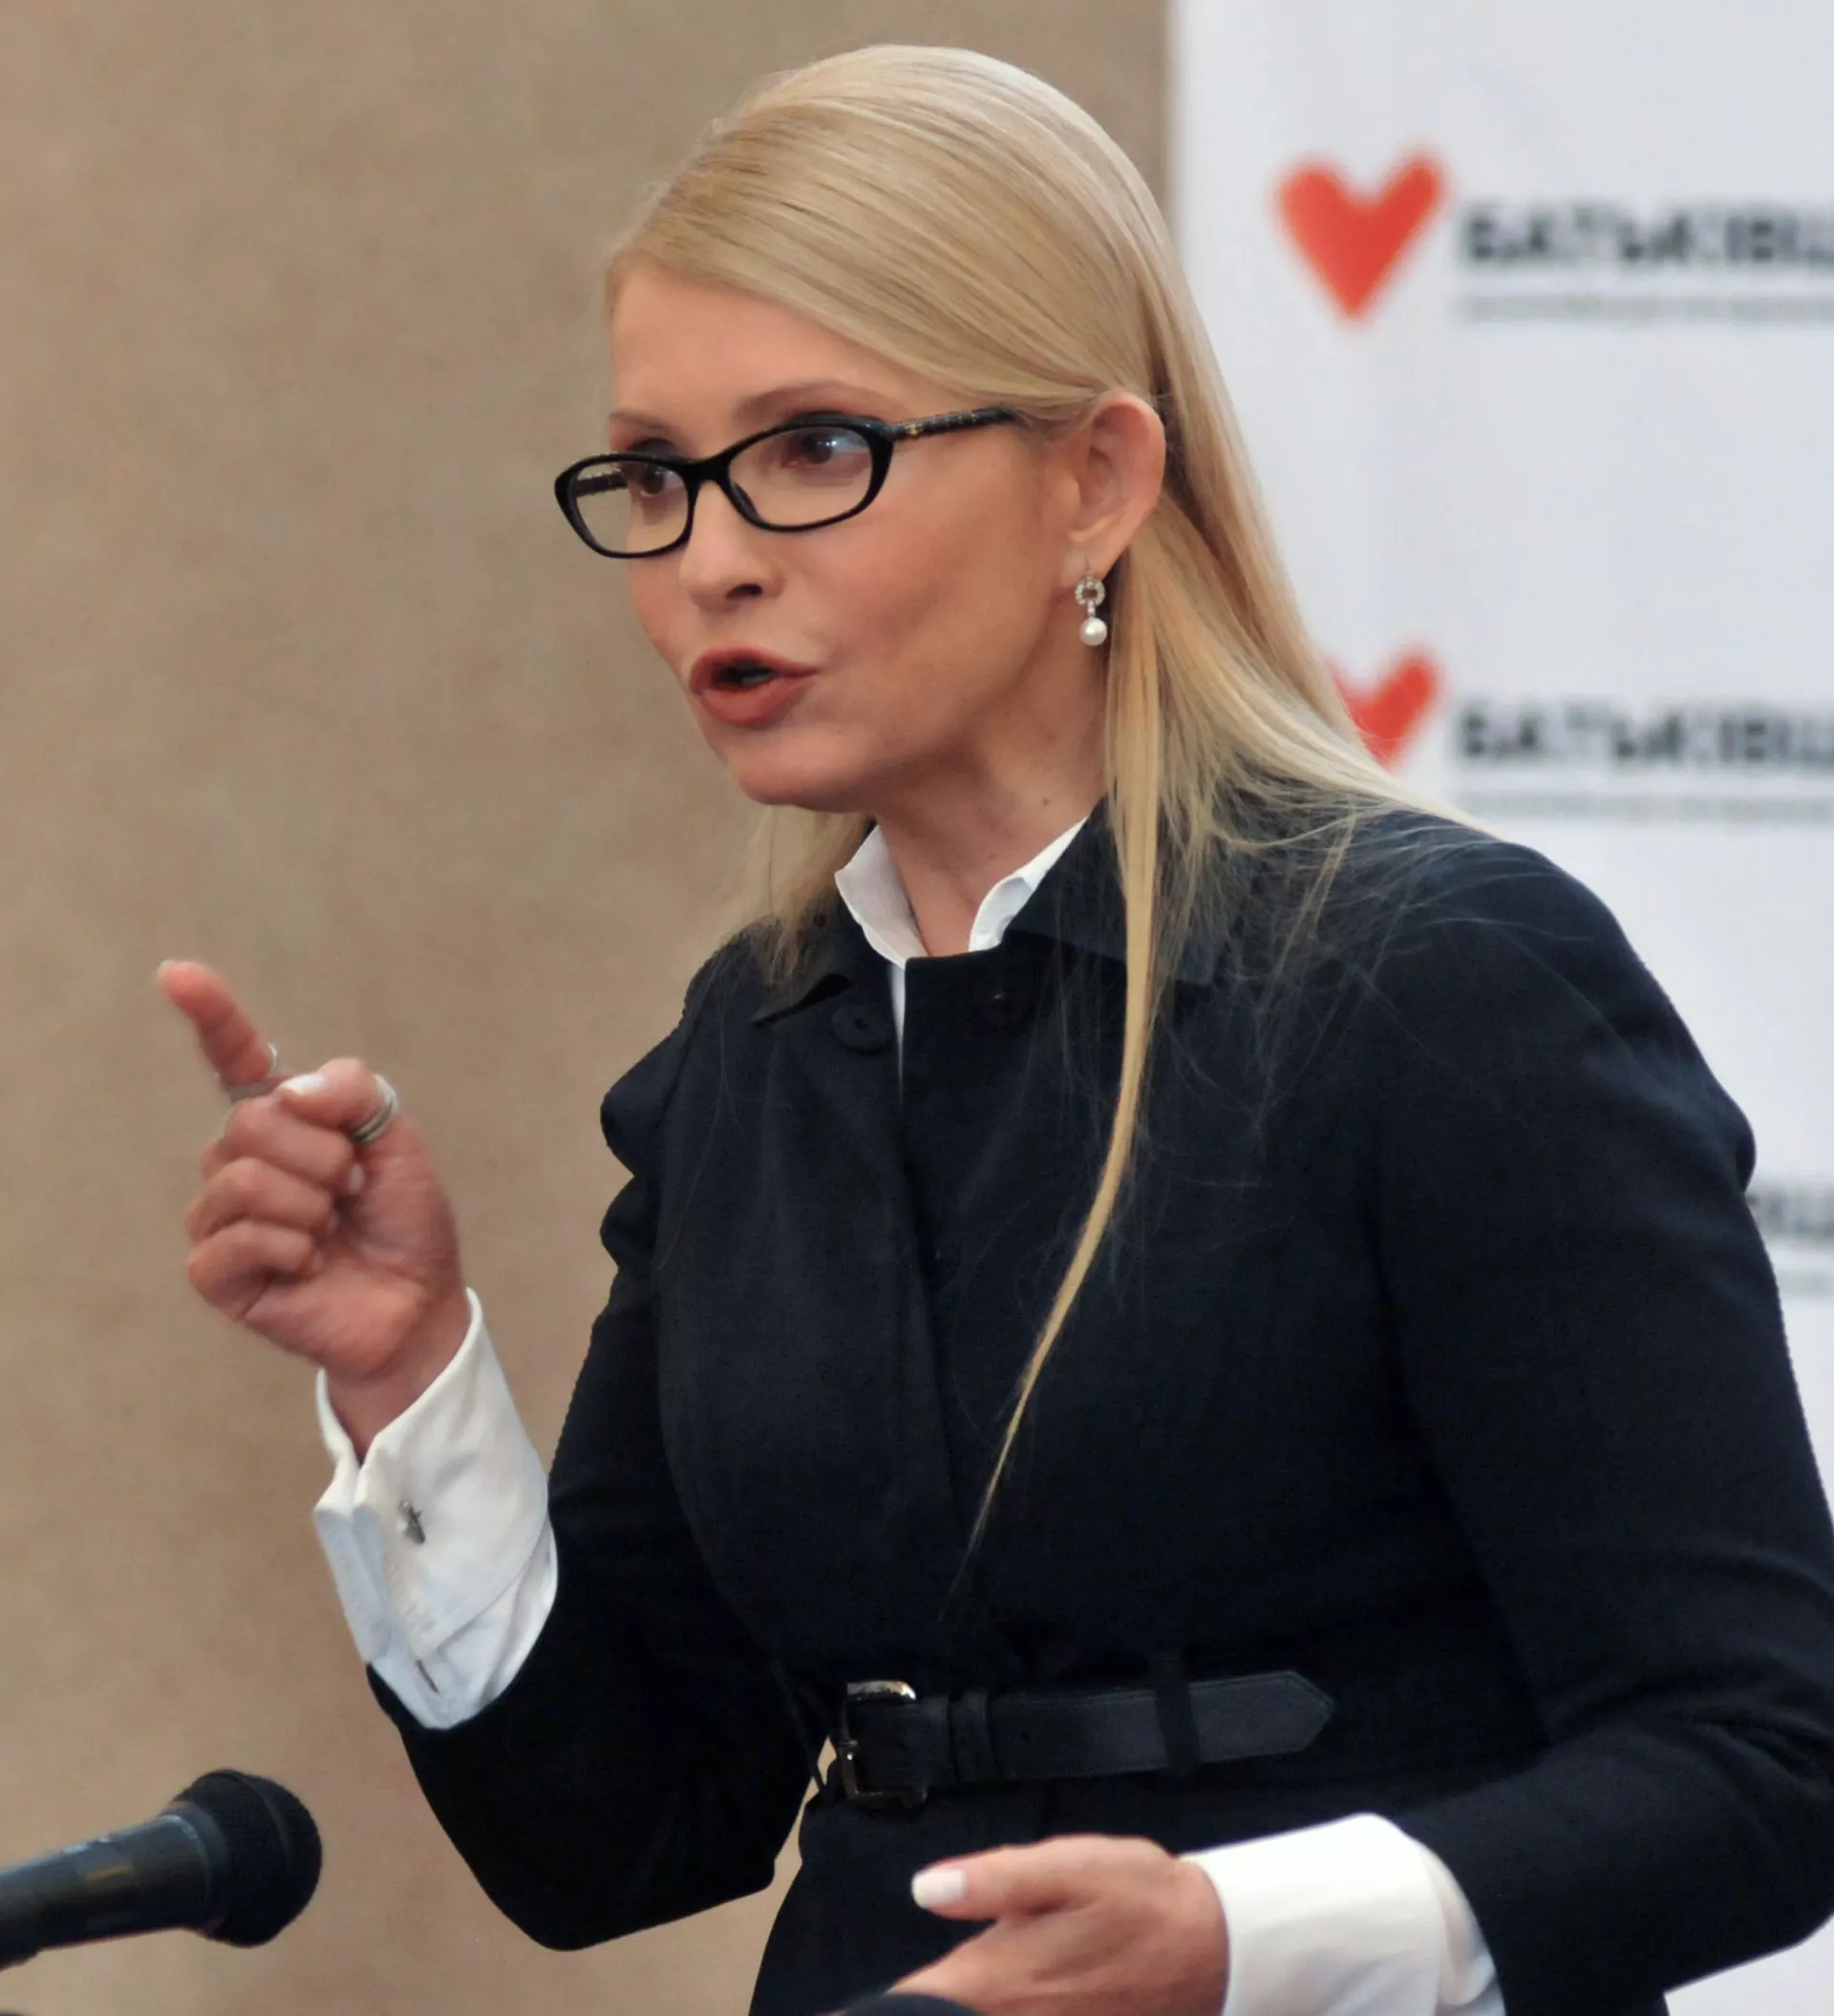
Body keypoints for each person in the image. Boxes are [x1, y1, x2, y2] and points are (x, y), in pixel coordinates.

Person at [161, 43, 1834, 2016]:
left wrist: (1237, 1944)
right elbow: (619, 1832)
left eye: (813, 448)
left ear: (1094, 483)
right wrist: (408, 1374)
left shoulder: (1440, 984)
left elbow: (1765, 1761)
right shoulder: (754, 1051)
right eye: (656, 476)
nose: (712, 556)